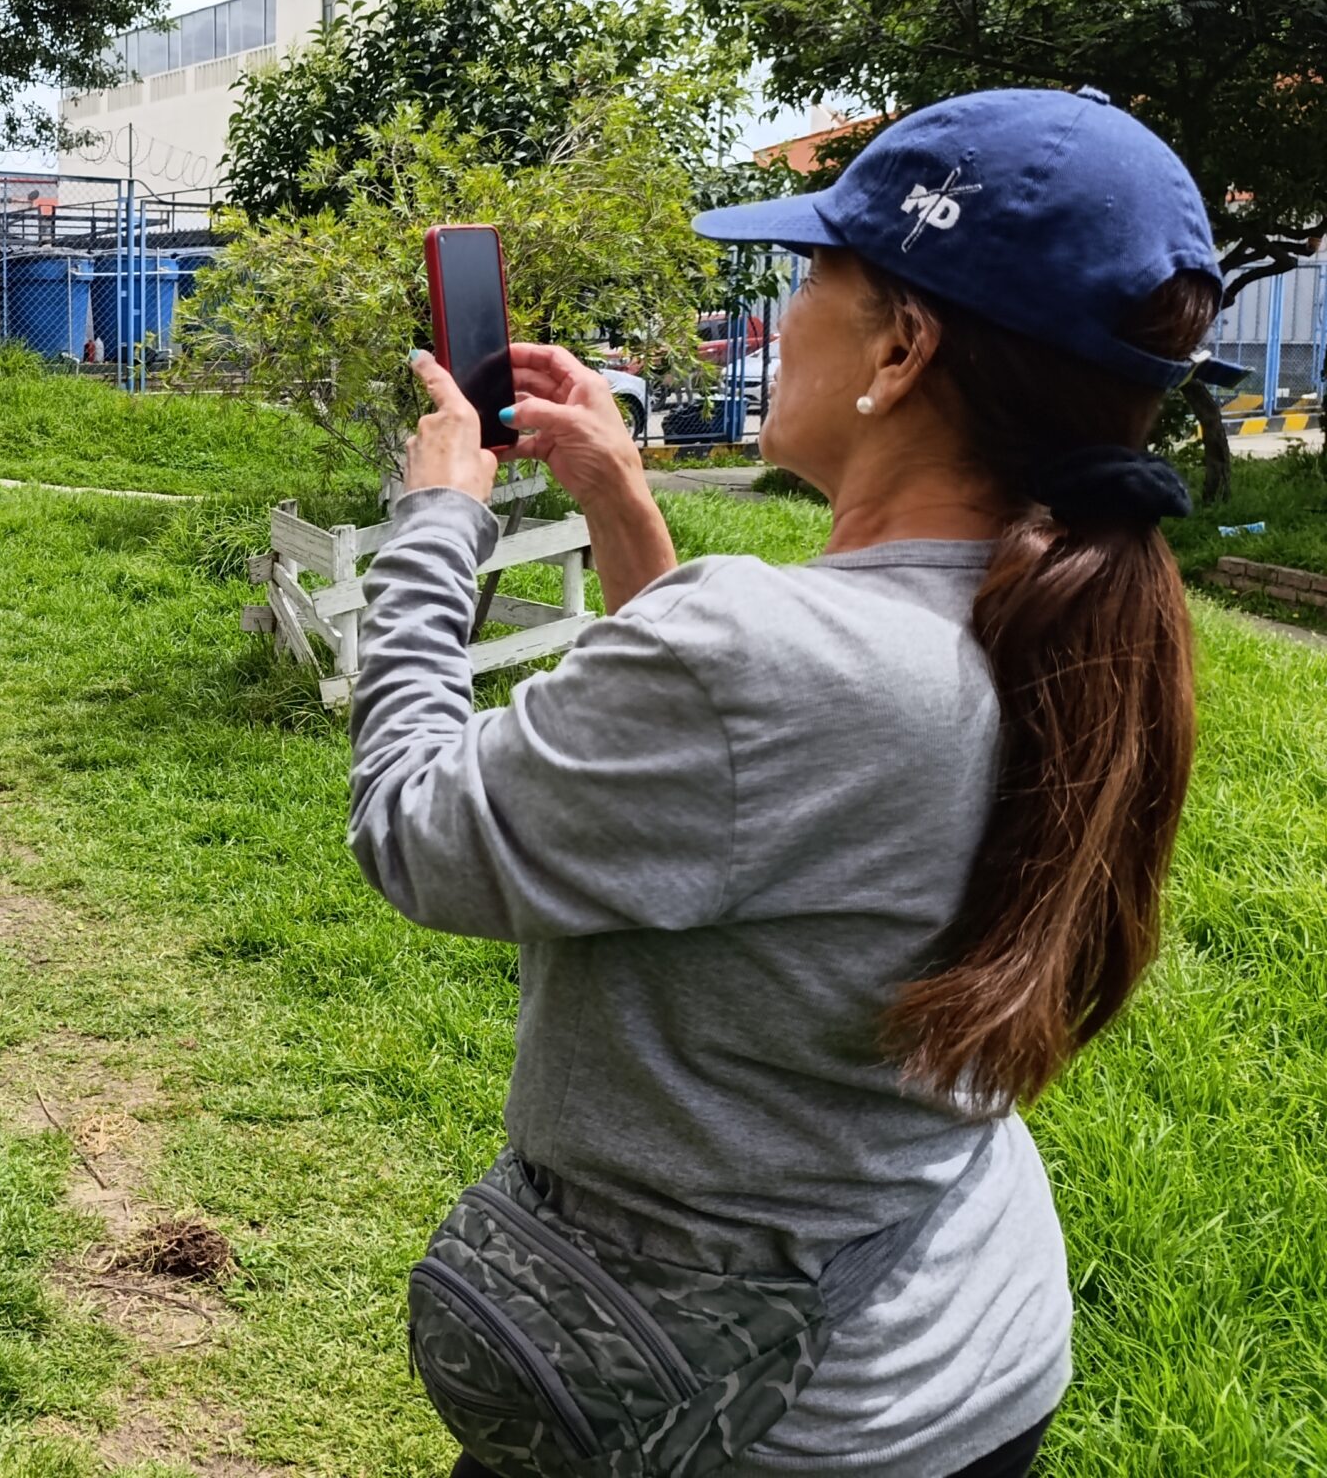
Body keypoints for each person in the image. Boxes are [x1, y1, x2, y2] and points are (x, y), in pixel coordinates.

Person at [348, 88, 1219, 1478]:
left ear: (903, 344)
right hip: (963, 1356)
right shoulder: (1068, 621)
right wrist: (626, 511)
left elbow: (417, 830)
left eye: (816, 267)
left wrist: (437, 521)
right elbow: (765, 767)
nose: (782, 309)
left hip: (719, 1409)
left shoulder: (767, 654)